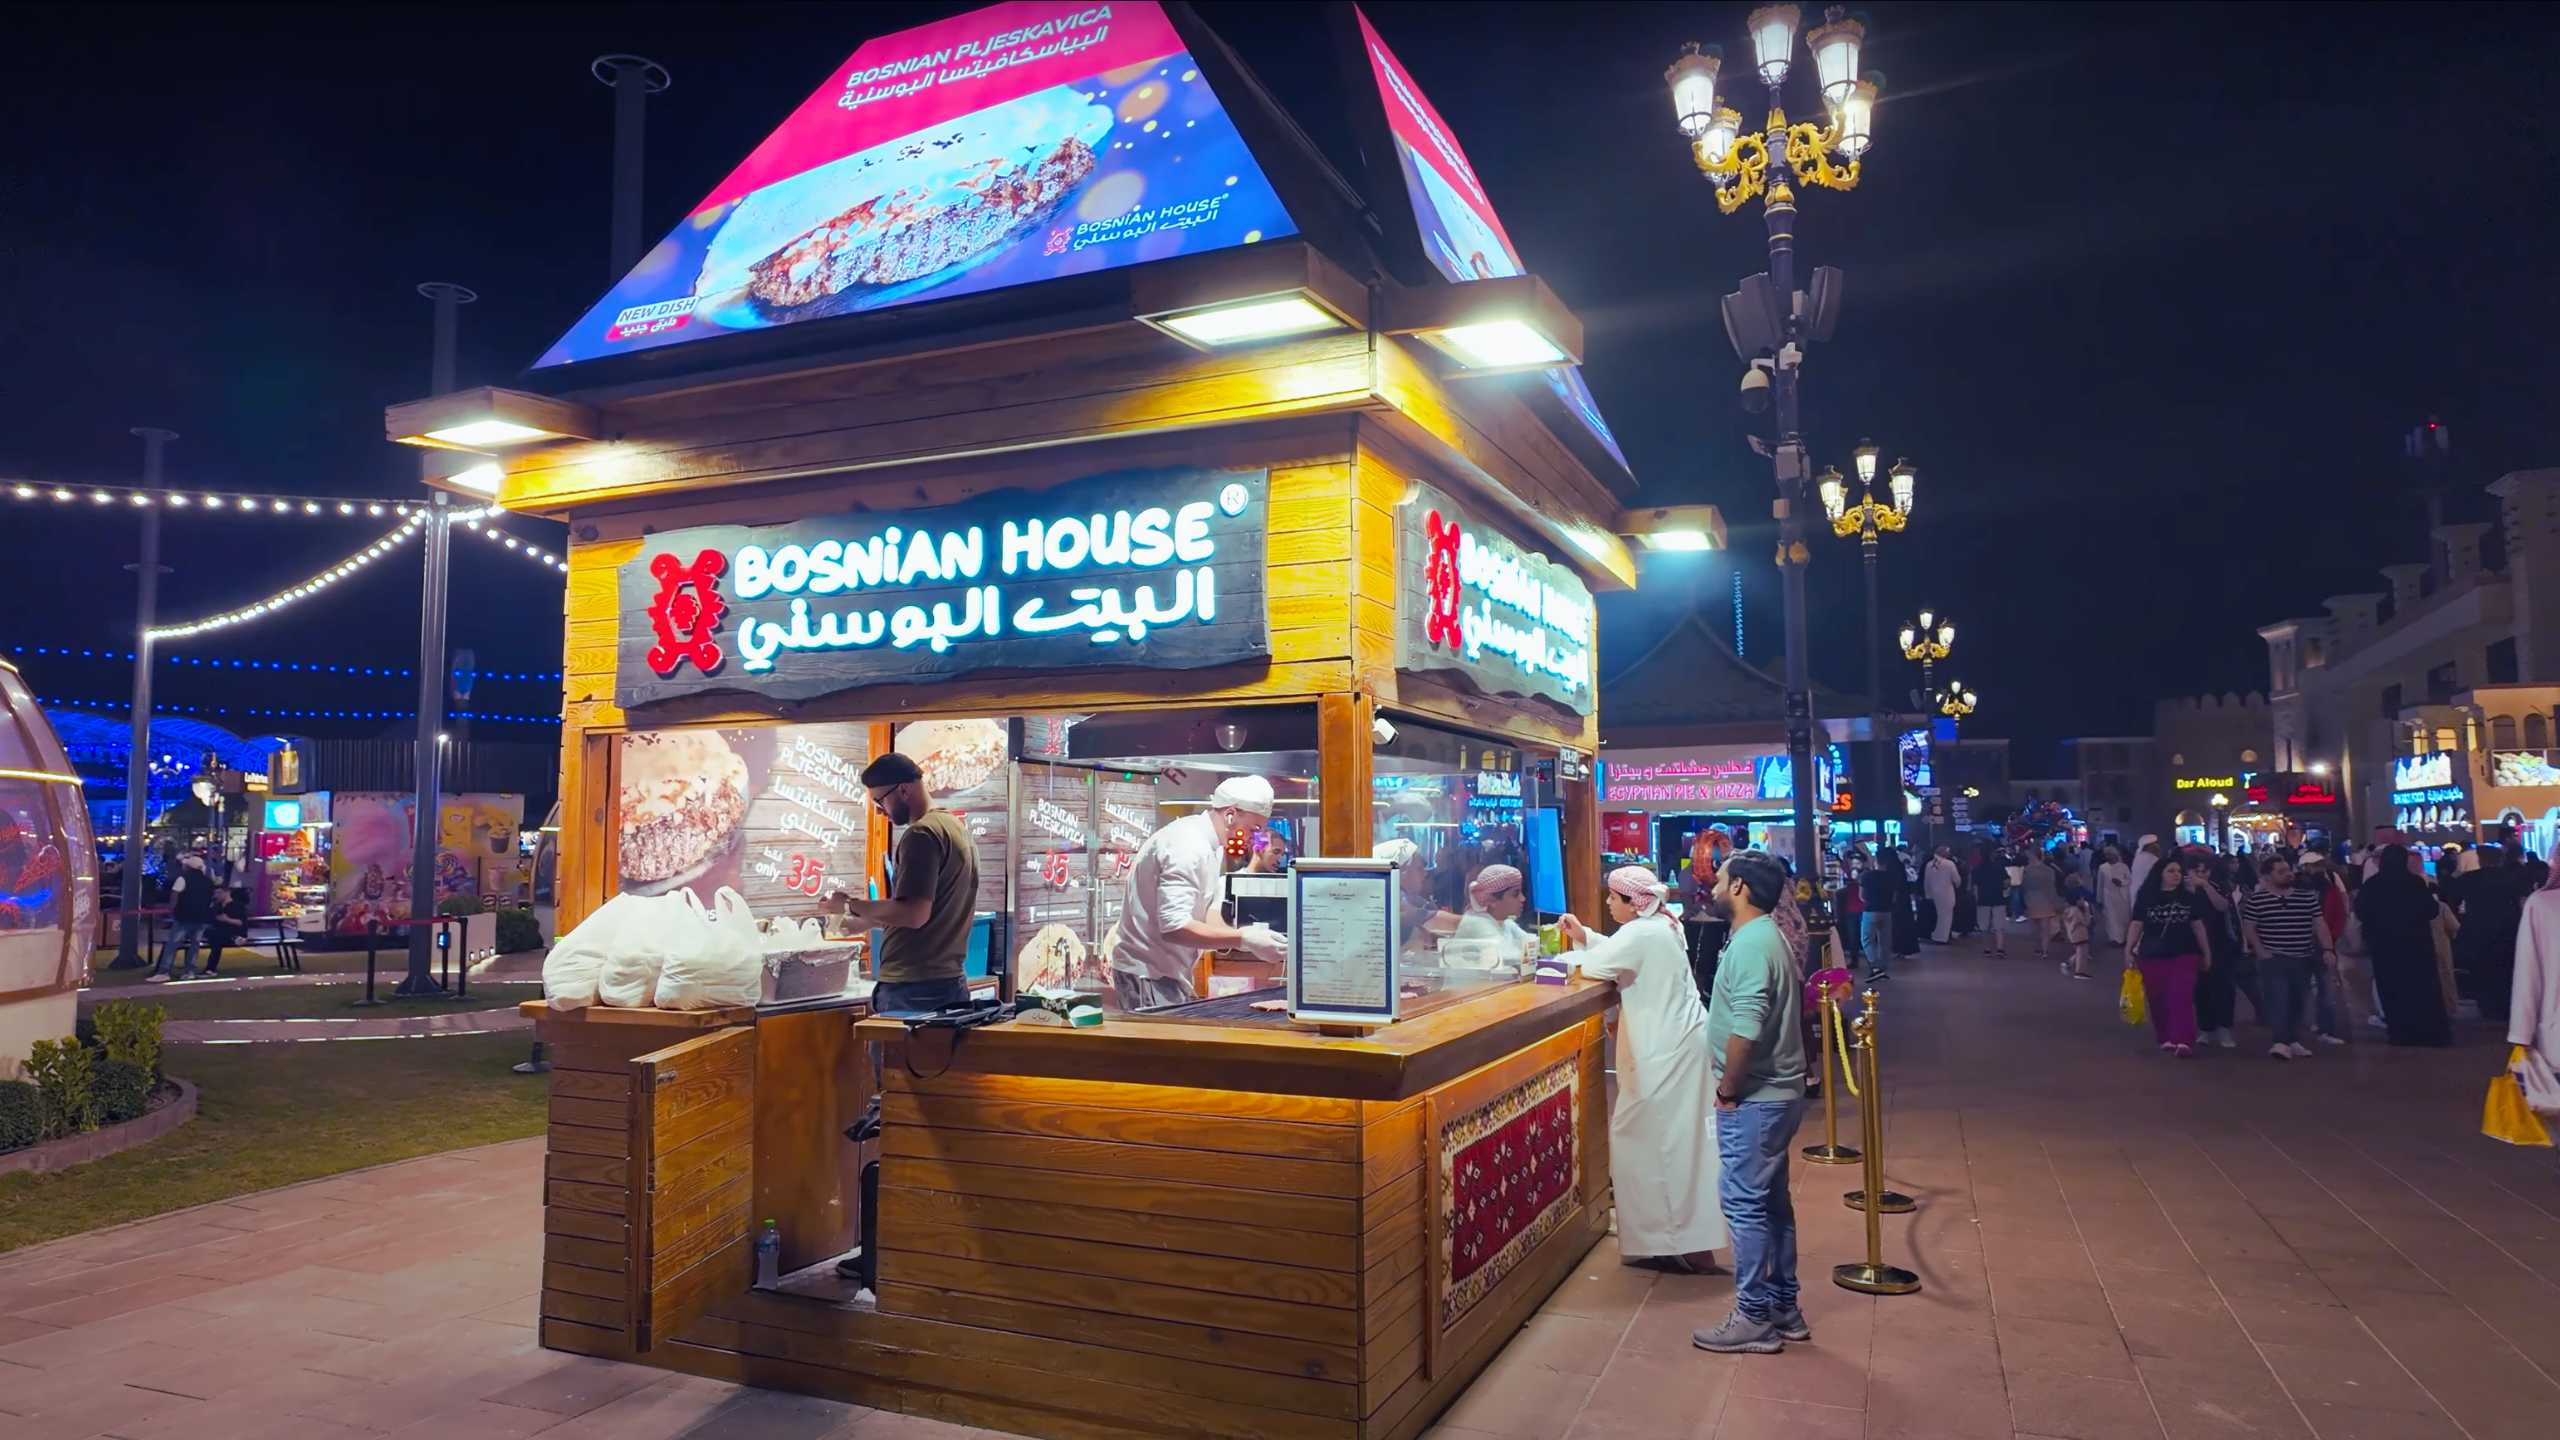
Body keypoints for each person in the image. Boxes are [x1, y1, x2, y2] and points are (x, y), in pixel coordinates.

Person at [1557, 867, 1724, 1274]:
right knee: (1677, 1147)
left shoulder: (1643, 933)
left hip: (1665, 1055)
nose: (1609, 904)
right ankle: (1681, 1241)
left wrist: (1554, 959)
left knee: (1652, 1143)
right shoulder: (1660, 926)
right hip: (1677, 1049)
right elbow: (1616, 952)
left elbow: (1591, 966)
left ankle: (1675, 1241)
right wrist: (1586, 937)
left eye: (1614, 899)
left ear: (1634, 903)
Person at [1690, 851, 1809, 1355]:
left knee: (1744, 1205)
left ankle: (1754, 1316)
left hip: (1756, 1097)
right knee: (1771, 1204)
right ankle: (1784, 1307)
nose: (1713, 887)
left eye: (1719, 879)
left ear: (1739, 887)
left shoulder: (1752, 944)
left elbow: (1747, 1025)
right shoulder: (1762, 937)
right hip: (1776, 1095)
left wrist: (1728, 1091)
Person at [1102, 775, 1286, 1010]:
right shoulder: (1187, 845)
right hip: (1148, 975)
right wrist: (1242, 939)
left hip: (1167, 974)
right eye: (1253, 829)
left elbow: (1205, 916)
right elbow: (1175, 927)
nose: (1252, 839)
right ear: (1230, 814)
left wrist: (1253, 941)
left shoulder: (1211, 845)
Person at [825, 752, 983, 1014]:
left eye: (880, 800)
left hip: (914, 990)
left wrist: (851, 905)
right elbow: (932, 912)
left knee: (897, 1057)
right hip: (947, 983)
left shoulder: (921, 834)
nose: (879, 810)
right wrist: (865, 922)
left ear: (904, 790)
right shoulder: (955, 828)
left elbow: (914, 914)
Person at [2353, 845, 2452, 1046]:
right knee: (2421, 989)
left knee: (2392, 989)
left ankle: (2399, 1032)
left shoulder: (2373, 885)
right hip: (2416, 945)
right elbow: (2431, 910)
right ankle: (2427, 1032)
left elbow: (2361, 911)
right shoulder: (2415, 883)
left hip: (2385, 946)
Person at [2239, 854, 2336, 1060]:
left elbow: (2319, 924)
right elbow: (2249, 927)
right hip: (2274, 957)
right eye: (2280, 871)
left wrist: (2327, 949)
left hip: (2302, 956)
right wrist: (2261, 950)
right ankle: (2280, 1041)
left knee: (2298, 1000)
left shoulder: (2306, 897)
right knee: (2278, 999)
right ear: (2267, 876)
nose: (2288, 874)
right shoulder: (2258, 900)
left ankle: (2292, 1039)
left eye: (2287, 870)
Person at [2124, 857, 2210, 1056]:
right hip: (2153, 955)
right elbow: (2137, 923)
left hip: (2185, 953)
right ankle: (2166, 1037)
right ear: (2160, 874)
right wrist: (2128, 949)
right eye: (2171, 871)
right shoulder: (2146, 897)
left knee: (2181, 995)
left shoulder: (2188, 898)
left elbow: (2198, 927)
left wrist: (2206, 952)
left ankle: (2184, 1040)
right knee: (2158, 998)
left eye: (2179, 871)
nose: (2176, 875)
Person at [2454, 842, 2526, 1023]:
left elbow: (2452, 897)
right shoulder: (2512, 877)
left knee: (2483, 970)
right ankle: (2506, 1006)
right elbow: (2522, 902)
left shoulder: (2469, 879)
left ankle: (2488, 1006)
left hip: (2479, 929)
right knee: (2506, 968)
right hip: (2507, 929)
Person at [1448, 863, 1537, 969]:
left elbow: (1533, 945)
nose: (1523, 899)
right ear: (1492, 900)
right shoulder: (1476, 922)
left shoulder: (1506, 923)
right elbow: (1509, 957)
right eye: (1515, 894)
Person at [149, 852, 214, 982]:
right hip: (201, 917)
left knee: (173, 944)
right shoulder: (208, 881)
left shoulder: (182, 878)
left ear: (188, 867)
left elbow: (174, 896)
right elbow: (210, 899)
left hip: (184, 916)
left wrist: (171, 910)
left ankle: (164, 971)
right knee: (194, 945)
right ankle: (190, 971)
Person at [1858, 847, 1902, 980]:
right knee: (1885, 941)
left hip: (1870, 911)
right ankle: (1883, 966)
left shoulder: (1866, 876)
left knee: (1867, 939)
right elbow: (1894, 897)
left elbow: (1861, 896)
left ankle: (1875, 965)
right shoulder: (1892, 877)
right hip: (1886, 911)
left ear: (1876, 861)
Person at [2021, 847, 2061, 961]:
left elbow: (2023, 886)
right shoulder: (2049, 870)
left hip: (2031, 899)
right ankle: (2045, 950)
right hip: (2046, 900)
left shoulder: (2026, 870)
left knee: (2035, 927)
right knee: (2045, 928)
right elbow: (2052, 887)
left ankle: (2038, 948)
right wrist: (2054, 901)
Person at [201, 884, 250, 976]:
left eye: (219, 892)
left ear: (227, 892)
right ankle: (233, 938)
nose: (216, 895)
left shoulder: (237, 905)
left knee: (217, 938)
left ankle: (210, 969)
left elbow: (241, 923)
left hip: (233, 931)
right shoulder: (216, 906)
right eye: (215, 893)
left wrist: (227, 920)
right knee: (214, 934)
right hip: (220, 933)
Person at [1970, 844, 2010, 957]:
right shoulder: (1999, 868)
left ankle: (1987, 948)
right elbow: (2007, 883)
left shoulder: (1977, 869)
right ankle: (2000, 948)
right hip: (1998, 899)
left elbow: (1975, 887)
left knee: (1984, 926)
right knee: (1999, 926)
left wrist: (1976, 899)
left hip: (1983, 899)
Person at [2058, 871, 2096, 978]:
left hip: (2072, 932)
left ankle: (2069, 964)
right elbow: (2086, 922)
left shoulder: (2068, 909)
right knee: (2082, 950)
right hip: (2080, 932)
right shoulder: (2078, 910)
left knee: (2080, 950)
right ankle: (2079, 971)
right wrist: (2087, 909)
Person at [1922, 845, 1960, 945]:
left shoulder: (1929, 864)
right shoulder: (1949, 864)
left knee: (1939, 915)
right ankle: (1942, 937)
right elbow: (1956, 879)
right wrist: (1958, 884)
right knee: (1946, 916)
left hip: (1934, 893)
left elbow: (1926, 881)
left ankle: (1936, 935)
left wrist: (1927, 894)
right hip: (1947, 893)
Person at [2097, 846, 2133, 945]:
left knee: (2123, 918)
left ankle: (2124, 938)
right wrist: (2099, 899)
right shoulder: (2102, 868)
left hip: (2122, 897)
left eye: (2110, 854)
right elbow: (2100, 884)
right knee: (2111, 918)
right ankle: (2114, 939)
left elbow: (2130, 880)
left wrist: (2121, 882)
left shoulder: (2123, 866)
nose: (2108, 856)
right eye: (2106, 855)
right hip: (2108, 897)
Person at [2127, 834, 2164, 904]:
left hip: (2135, 892)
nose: (2158, 847)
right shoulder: (2153, 859)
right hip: (2147, 893)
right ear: (2150, 847)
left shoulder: (2138, 857)